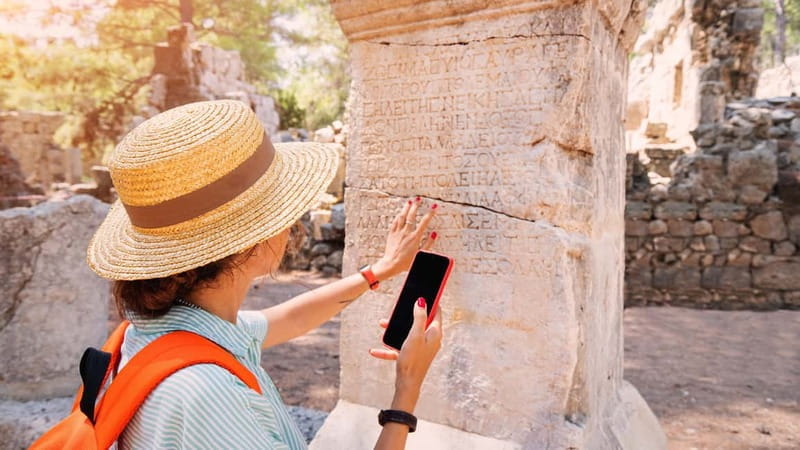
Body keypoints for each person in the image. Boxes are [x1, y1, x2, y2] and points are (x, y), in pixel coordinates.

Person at [86, 100, 443, 449]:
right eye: (279, 210)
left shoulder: (158, 333)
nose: (291, 222)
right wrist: (406, 392)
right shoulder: (214, 398)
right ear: (250, 243)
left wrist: (378, 270)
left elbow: (290, 319)